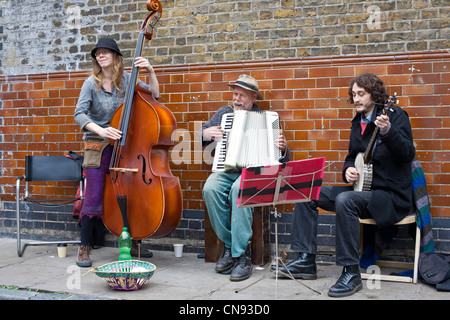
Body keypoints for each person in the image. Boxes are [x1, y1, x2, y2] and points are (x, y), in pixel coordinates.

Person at [276, 73, 415, 297]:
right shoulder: (357, 123)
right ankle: (305, 260)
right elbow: (352, 157)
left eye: (361, 93)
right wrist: (347, 171)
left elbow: (407, 154)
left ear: (374, 94)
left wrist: (388, 132)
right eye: (354, 94)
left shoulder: (395, 115)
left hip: (389, 196)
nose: (356, 98)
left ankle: (351, 272)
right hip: (362, 190)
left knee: (345, 200)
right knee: (307, 190)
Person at [74, 37, 160, 267]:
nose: (101, 56)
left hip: (124, 147)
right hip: (97, 145)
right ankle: (83, 247)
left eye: (105, 52)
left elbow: (154, 95)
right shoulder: (91, 83)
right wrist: (102, 130)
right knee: (93, 196)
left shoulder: (129, 80)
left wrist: (150, 70)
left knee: (127, 192)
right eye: (98, 53)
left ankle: (129, 240)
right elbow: (80, 115)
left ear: (115, 57)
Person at [200, 74, 291, 281]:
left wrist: (283, 149)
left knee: (238, 190)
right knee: (210, 189)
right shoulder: (224, 113)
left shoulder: (267, 118)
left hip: (254, 172)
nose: (237, 99)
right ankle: (231, 246)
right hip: (227, 169)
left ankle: (241, 255)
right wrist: (207, 134)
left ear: (253, 97)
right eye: (235, 94)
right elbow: (203, 135)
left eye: (242, 95)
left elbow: (282, 158)